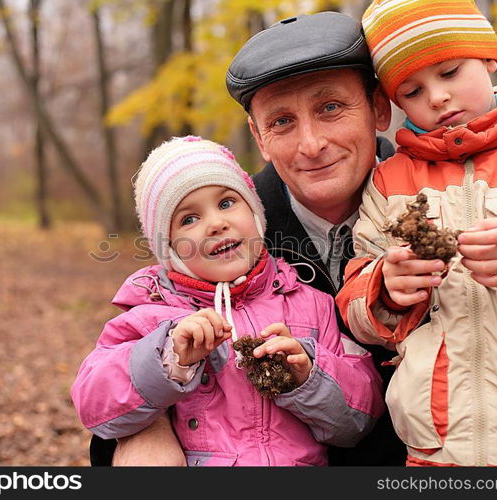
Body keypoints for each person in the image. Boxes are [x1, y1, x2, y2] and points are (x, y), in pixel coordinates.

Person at [93, 11, 408, 467]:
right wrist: (147, 428)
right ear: (259, 138)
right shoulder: (228, 238)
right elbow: (119, 379)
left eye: (330, 108)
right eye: (282, 121)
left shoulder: (439, 204)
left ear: (379, 108)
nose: (312, 143)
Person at [336, 0, 497, 466]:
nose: (436, 97)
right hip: (435, 449)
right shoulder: (389, 182)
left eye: (450, 72)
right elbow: (354, 301)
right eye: (412, 91)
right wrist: (385, 291)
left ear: (489, 58)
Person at [71, 136, 385, 466]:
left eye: (226, 203)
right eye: (189, 219)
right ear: (170, 248)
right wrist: (170, 358)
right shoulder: (154, 312)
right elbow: (95, 404)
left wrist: (308, 374)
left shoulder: (310, 303)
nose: (217, 223)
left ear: (255, 212)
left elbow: (359, 419)